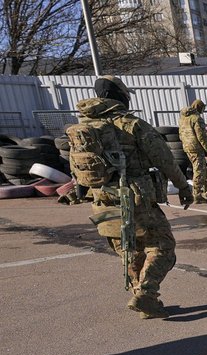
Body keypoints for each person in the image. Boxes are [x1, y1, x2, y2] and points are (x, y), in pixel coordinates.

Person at [75, 76, 194, 318]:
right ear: (121, 96)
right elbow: (165, 160)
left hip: (102, 200)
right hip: (135, 198)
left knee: (129, 250)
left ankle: (143, 299)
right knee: (163, 246)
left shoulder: (83, 128)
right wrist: (183, 187)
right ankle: (146, 295)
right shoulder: (131, 124)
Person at [178, 98, 207, 202]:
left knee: (202, 169)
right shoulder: (196, 118)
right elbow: (201, 136)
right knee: (199, 171)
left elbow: (180, 134)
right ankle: (196, 194)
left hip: (187, 146)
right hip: (196, 147)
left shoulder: (183, 118)